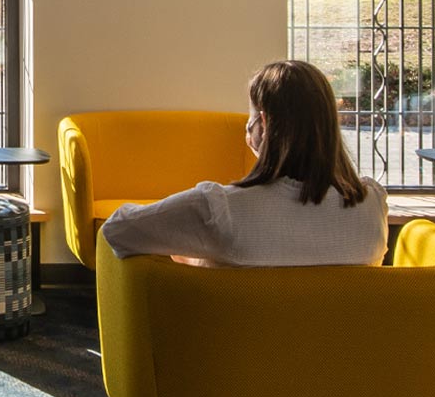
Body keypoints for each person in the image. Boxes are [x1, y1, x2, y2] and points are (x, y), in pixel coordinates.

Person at [101, 60, 388, 267]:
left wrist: (194, 251)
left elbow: (116, 230)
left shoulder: (218, 211)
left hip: (231, 351)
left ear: (263, 123)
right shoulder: (372, 206)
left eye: (250, 116)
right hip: (342, 352)